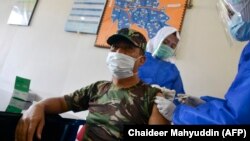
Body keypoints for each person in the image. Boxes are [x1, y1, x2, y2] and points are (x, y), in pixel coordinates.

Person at [15, 28, 169, 141]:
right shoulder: (98, 88)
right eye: (115, 47)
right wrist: (38, 106)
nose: (119, 53)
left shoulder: (153, 96)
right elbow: (62, 102)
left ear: (141, 60)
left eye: (128, 48)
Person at [155, 0, 250, 124]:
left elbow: (235, 119)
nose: (231, 20)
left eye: (232, 13)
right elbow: (236, 107)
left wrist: (179, 113)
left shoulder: (172, 70)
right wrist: (205, 105)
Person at [138, 26, 185, 101]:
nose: (167, 47)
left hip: (158, 110)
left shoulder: (173, 70)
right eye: (165, 42)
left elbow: (179, 97)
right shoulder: (139, 58)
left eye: (172, 46)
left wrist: (170, 105)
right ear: (158, 39)